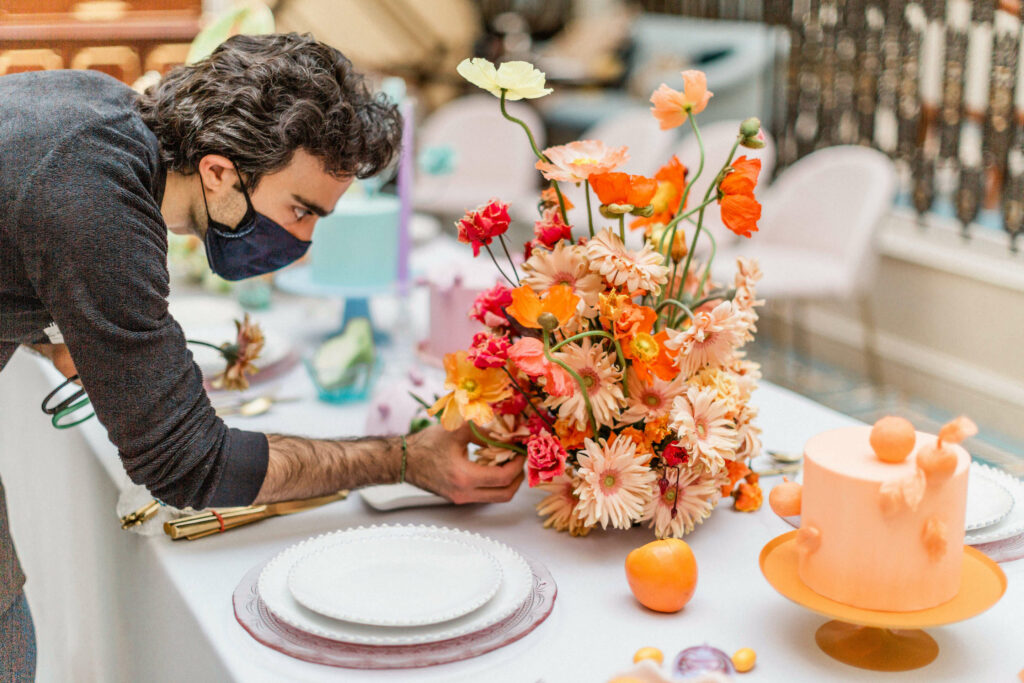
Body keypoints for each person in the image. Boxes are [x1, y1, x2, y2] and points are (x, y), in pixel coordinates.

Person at [0, 32, 525, 675]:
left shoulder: (97, 110)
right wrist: (401, 459)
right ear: (219, 172)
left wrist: (52, 332)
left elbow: (19, 212)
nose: (303, 240)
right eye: (301, 210)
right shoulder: (96, 200)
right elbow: (191, 466)